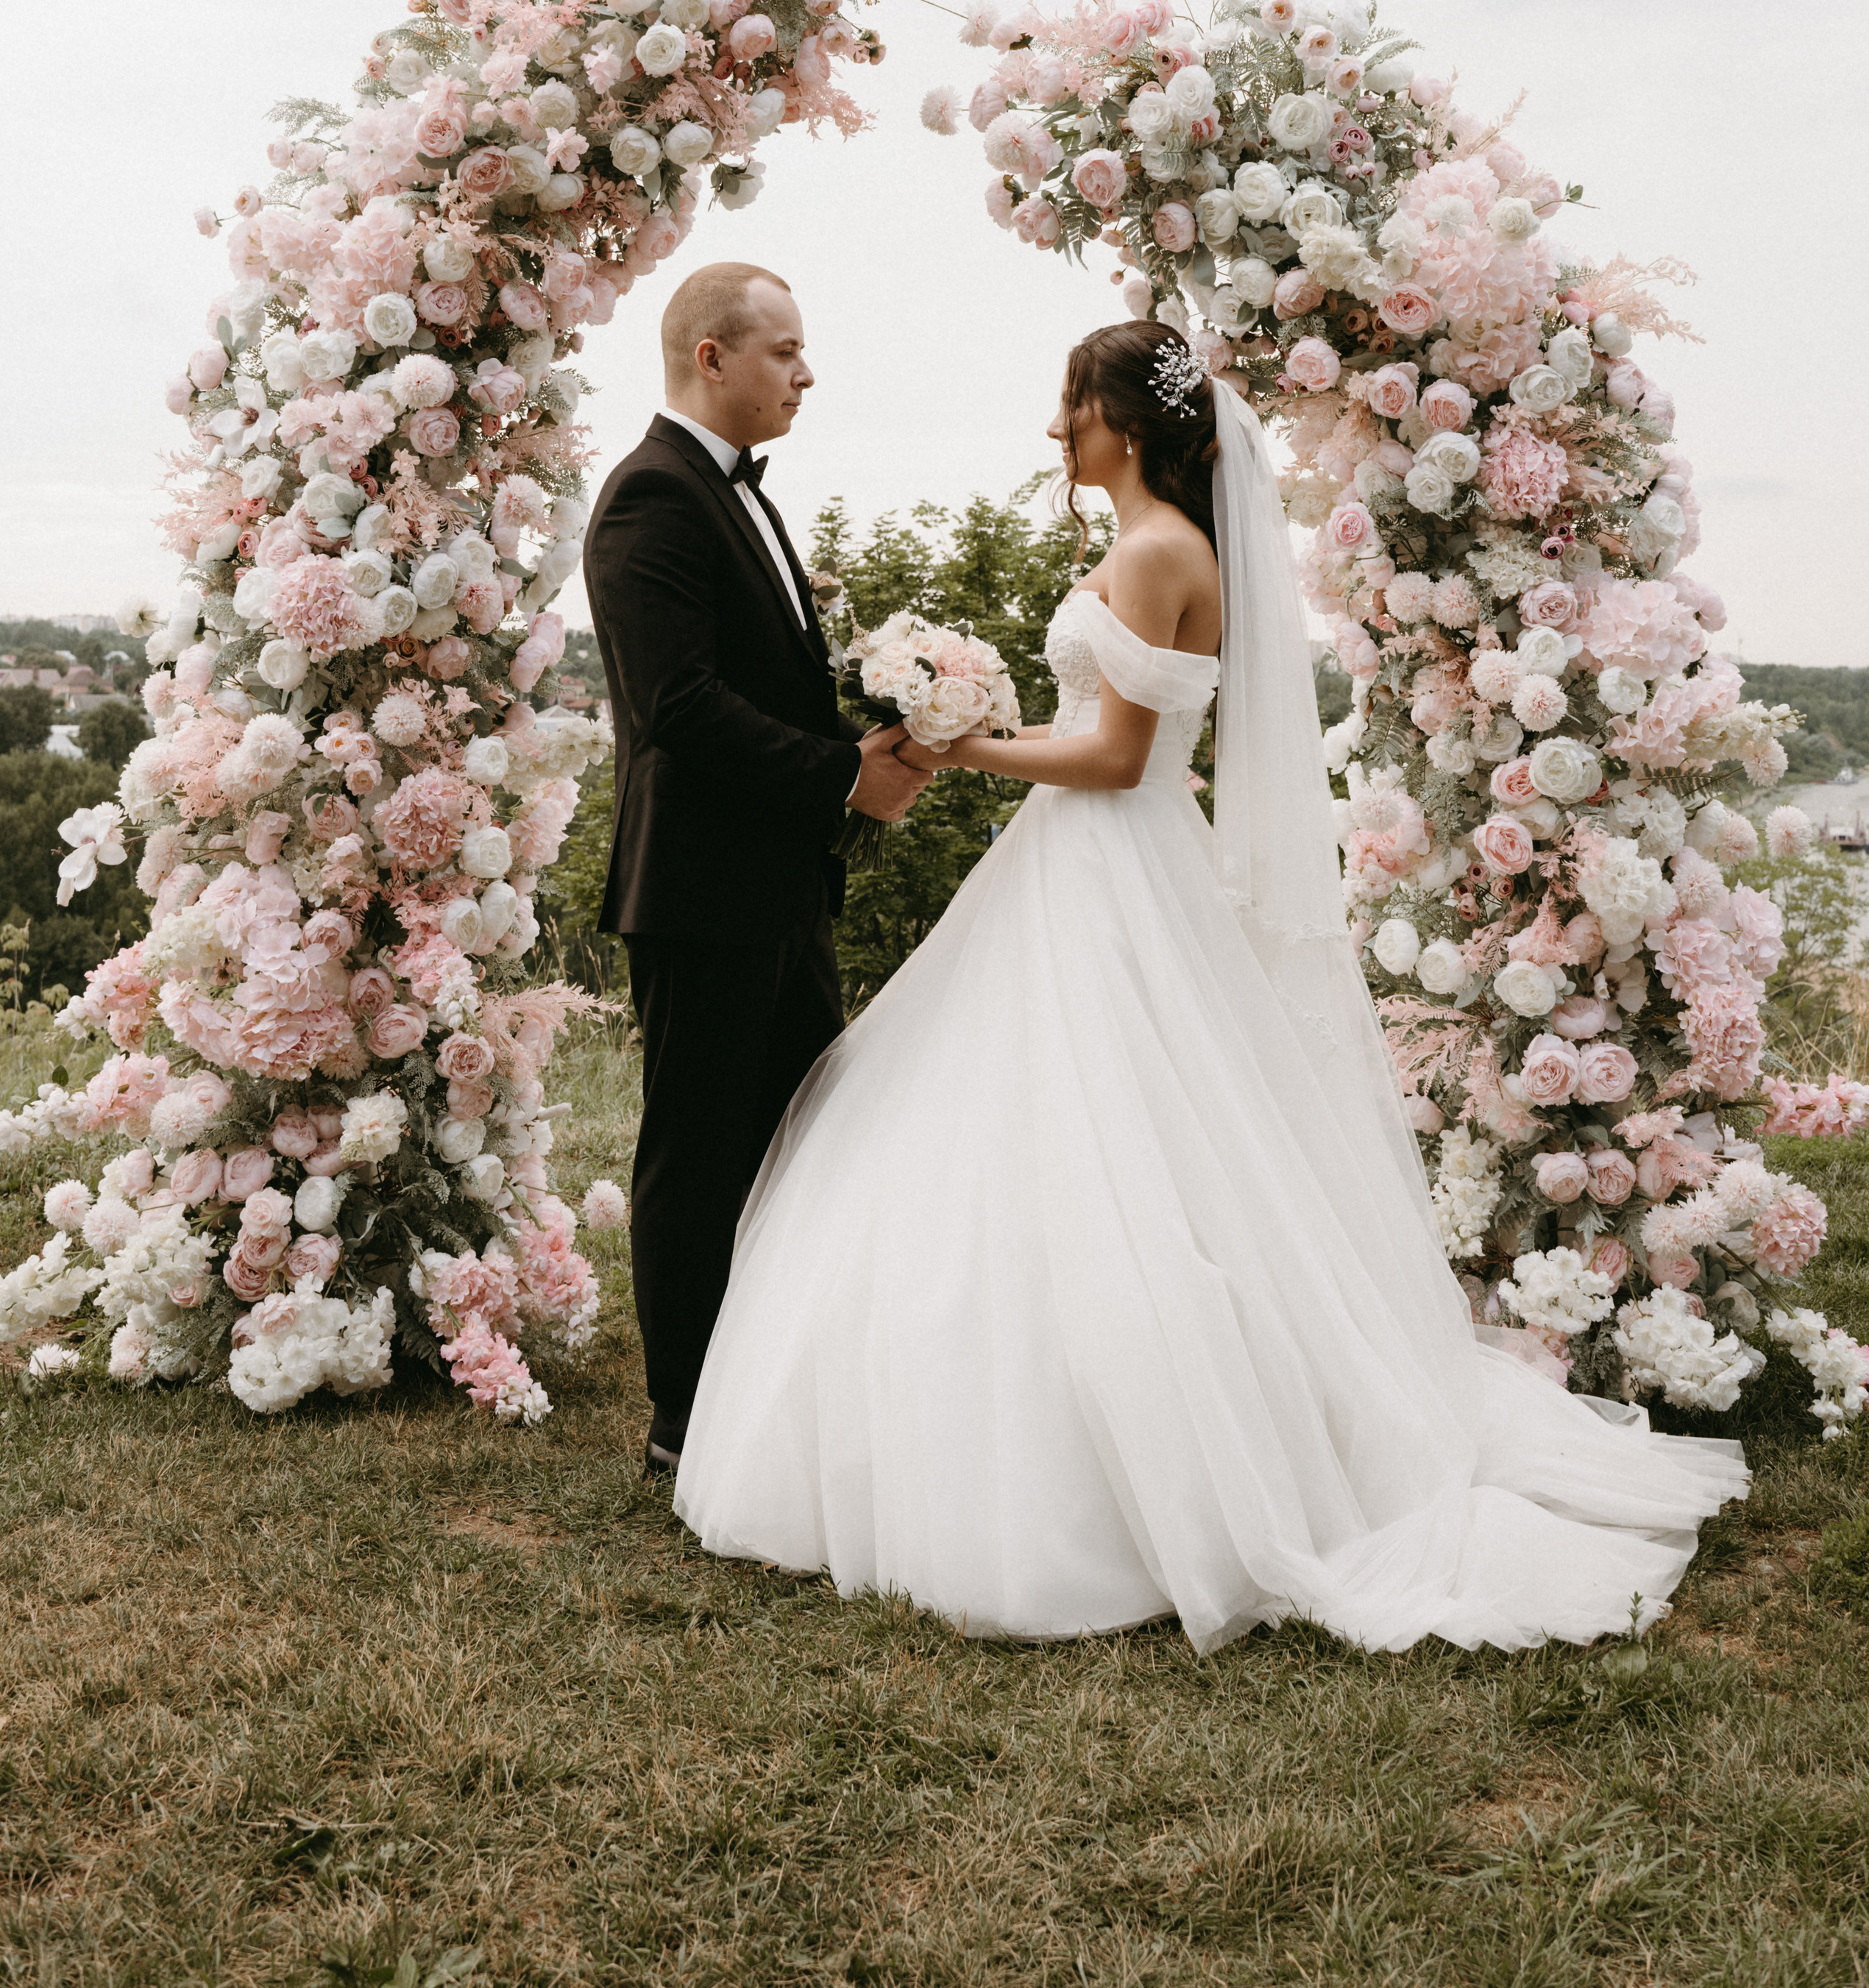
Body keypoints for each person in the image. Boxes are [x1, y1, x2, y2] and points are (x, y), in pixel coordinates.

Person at [672, 320, 1748, 1653]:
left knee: (1116, 1138)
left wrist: (959, 749)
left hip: (1108, 862)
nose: (1054, 429)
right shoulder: (1148, 544)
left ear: (1122, 422)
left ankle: (1143, 1461)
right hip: (1091, 869)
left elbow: (1119, 759)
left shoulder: (1159, 550)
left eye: (1070, 406)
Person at [583, 262, 932, 1475]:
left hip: (779, 886)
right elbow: (677, 705)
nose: (807, 372)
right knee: (698, 1158)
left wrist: (865, 742)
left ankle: (776, 1394)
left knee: (802, 1143)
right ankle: (685, 1428)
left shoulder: (738, 497)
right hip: (701, 894)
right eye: (784, 350)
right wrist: (845, 779)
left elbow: (758, 685)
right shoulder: (652, 497)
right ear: (711, 357)